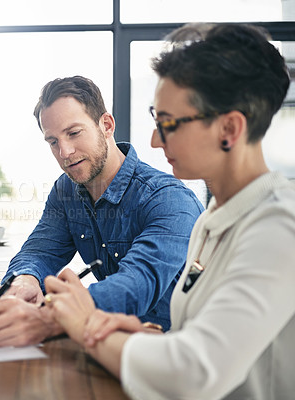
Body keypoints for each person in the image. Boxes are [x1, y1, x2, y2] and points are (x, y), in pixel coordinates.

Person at [43, 23, 295, 400]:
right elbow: (200, 341)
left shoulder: (279, 227)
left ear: (229, 128)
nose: (154, 140)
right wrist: (148, 339)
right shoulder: (213, 219)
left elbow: (193, 372)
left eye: (169, 124)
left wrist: (86, 324)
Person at [0, 75, 203, 346]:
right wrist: (25, 282)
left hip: (170, 351)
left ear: (106, 125)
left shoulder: (168, 200)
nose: (64, 152)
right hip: (103, 340)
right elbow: (41, 250)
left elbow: (135, 286)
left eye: (74, 133)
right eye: (53, 141)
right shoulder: (67, 190)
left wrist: (51, 317)